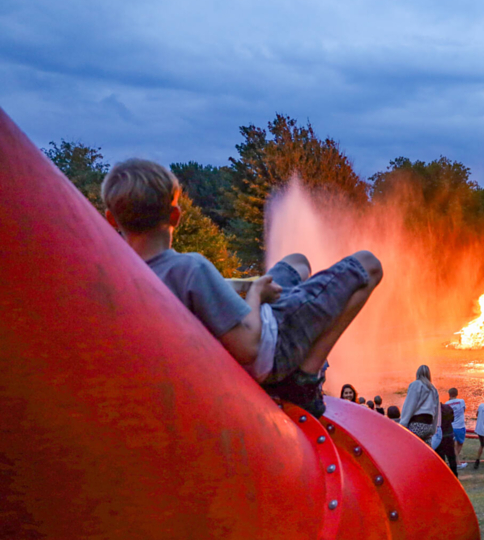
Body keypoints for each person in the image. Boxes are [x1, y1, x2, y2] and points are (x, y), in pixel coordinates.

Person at [100, 159, 382, 418]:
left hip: (258, 329)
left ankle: (297, 314)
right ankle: (305, 378)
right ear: (175, 215)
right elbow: (249, 347)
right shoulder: (190, 269)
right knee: (368, 266)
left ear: (111, 219)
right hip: (272, 346)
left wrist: (249, 286)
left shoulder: (128, 282)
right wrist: (256, 293)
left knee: (297, 263)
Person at [399, 365, 440, 442]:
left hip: (416, 425)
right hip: (429, 426)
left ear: (417, 374)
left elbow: (410, 405)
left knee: (409, 448)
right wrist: (434, 428)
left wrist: (402, 424)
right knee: (425, 450)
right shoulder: (434, 389)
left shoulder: (416, 384)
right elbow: (436, 411)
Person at [445, 388, 468, 467]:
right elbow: (463, 411)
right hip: (460, 426)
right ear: (457, 394)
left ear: (449, 394)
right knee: (460, 443)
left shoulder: (447, 403)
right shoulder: (461, 401)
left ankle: (453, 461)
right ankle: (457, 463)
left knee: (454, 445)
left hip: (451, 426)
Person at [435, 402, 459, 476]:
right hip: (449, 434)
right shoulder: (448, 408)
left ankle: (443, 475)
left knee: (441, 458)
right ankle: (455, 475)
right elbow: (452, 419)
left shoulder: (434, 410)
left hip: (439, 436)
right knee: (451, 456)